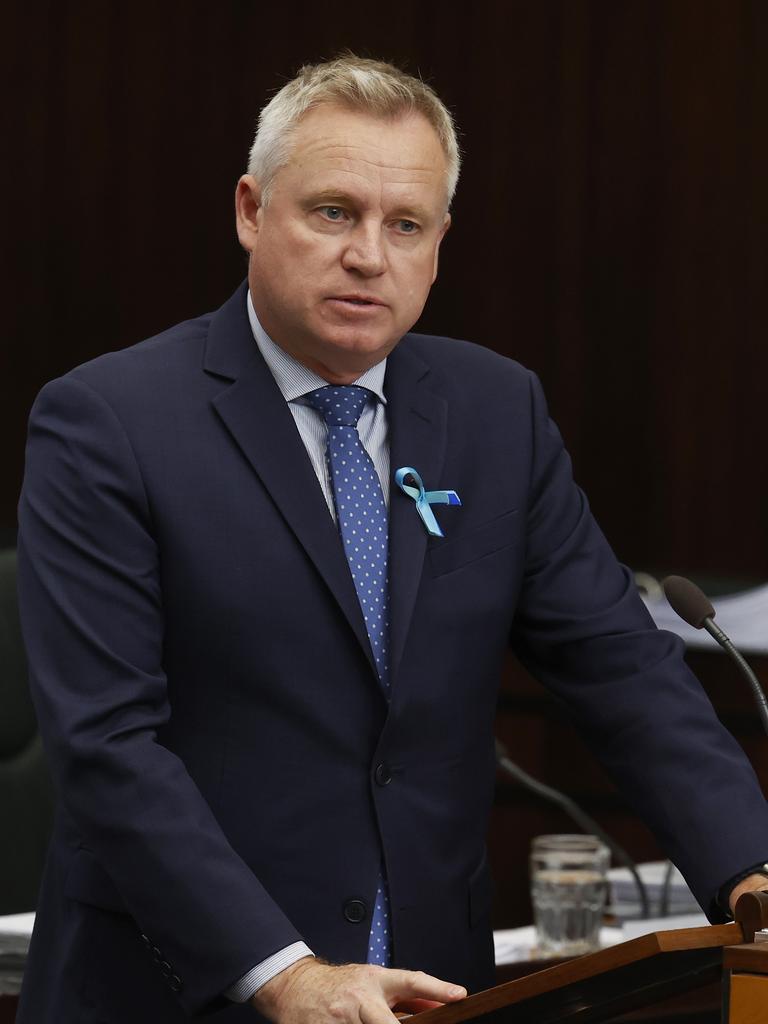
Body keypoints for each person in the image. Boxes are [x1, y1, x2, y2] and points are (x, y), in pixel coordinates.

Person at [15, 54, 768, 1024]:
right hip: (181, 985)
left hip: (428, 983)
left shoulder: (496, 410)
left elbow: (617, 663)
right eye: (333, 212)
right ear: (251, 210)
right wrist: (282, 970)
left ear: (440, 240)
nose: (370, 254)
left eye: (405, 224)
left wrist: (751, 867)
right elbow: (107, 742)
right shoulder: (108, 421)